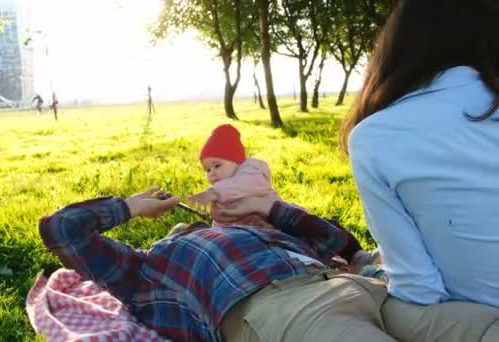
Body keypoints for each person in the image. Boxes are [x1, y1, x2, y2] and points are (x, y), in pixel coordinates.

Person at [39, 187, 395, 342]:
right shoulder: (148, 271)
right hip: (283, 311)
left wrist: (264, 208)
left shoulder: (257, 231)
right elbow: (62, 229)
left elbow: (338, 242)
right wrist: (133, 206)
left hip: (364, 288)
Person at [342, 0, 499, 340]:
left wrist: (375, 277)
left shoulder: (375, 136)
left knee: (375, 296)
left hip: (477, 322)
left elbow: (420, 289)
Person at [188, 124, 376, 271]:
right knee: (306, 251)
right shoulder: (219, 189)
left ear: (236, 160)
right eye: (207, 169)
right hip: (258, 236)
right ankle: (334, 264)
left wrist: (213, 193)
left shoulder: (251, 169)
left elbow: (251, 184)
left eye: (217, 165)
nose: (211, 174)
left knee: (324, 229)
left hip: (279, 221)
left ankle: (357, 256)